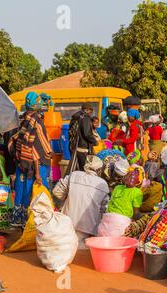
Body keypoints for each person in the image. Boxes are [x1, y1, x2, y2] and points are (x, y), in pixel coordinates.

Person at [8, 92, 53, 227]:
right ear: (37, 105)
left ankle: (19, 219)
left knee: (21, 191)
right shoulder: (36, 123)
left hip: (22, 164)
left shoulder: (24, 120)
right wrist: (38, 171)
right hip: (35, 165)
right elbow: (33, 148)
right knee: (36, 194)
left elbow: (16, 142)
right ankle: (32, 223)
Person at [53, 155, 109, 248]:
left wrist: (66, 201)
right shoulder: (103, 184)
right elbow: (104, 210)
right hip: (89, 231)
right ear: (99, 170)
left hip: (66, 224)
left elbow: (56, 191)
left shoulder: (74, 175)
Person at [98, 168, 144, 237]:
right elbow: (136, 214)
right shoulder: (137, 192)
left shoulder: (117, 187)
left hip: (106, 220)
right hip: (121, 224)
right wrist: (146, 218)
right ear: (138, 181)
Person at [68, 103, 97, 172]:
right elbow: (87, 134)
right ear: (87, 110)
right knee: (84, 170)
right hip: (82, 148)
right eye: (91, 111)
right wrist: (94, 141)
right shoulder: (85, 118)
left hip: (74, 147)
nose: (91, 113)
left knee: (76, 170)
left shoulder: (75, 118)